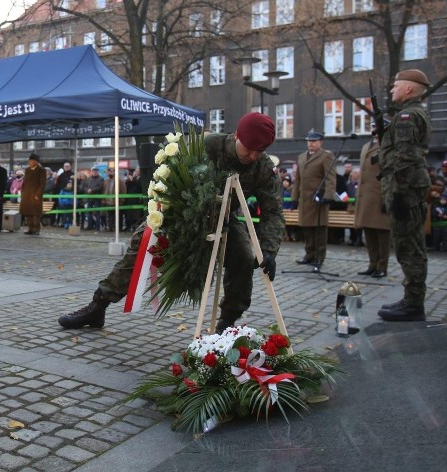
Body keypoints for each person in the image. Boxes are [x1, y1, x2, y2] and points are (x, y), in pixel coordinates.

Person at [58, 113, 283, 332]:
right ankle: (98, 305)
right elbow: (172, 178)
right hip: (181, 210)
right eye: (249, 148)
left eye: (259, 151)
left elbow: (273, 210)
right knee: (142, 243)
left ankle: (227, 322)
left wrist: (269, 249)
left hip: (223, 217)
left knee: (244, 255)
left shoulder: (263, 167)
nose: (253, 156)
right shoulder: (208, 146)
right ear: (236, 136)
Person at [377, 69, 432, 322]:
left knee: (409, 248)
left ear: (409, 89)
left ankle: (413, 304)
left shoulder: (408, 116)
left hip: (406, 191)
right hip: (408, 189)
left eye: (396, 85)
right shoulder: (411, 114)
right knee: (409, 246)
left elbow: (405, 157)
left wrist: (398, 193)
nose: (392, 89)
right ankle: (412, 300)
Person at [291, 129, 336, 267]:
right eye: (309, 141)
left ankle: (319, 257)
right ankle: (309, 254)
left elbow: (330, 178)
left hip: (318, 200)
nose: (310, 144)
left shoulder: (326, 156)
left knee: (319, 230)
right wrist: (294, 197)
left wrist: (328, 195)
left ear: (320, 142)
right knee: (307, 229)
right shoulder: (302, 157)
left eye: (314, 141)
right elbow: (297, 179)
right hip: (305, 200)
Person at [354, 134, 390, 278]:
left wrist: (387, 198)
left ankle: (382, 266)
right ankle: (372, 264)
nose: (374, 129)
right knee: (369, 233)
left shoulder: (387, 145)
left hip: (380, 196)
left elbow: (389, 172)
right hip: (366, 197)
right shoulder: (365, 146)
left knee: (382, 235)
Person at [20, 153, 46, 235]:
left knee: (35, 213)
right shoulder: (27, 170)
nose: (29, 162)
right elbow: (24, 182)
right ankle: (30, 229)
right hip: (27, 195)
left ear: (35, 162)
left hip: (35, 195)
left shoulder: (41, 170)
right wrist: (23, 192)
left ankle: (36, 229)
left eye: (31, 161)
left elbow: (42, 184)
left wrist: (38, 194)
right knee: (28, 213)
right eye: (29, 161)